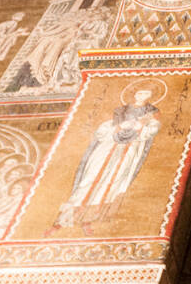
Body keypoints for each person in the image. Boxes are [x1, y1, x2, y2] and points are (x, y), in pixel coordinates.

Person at [53, 89, 160, 232]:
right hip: (108, 145)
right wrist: (120, 126)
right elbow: (103, 130)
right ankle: (64, 218)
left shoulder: (151, 113)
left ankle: (89, 220)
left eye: (146, 94)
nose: (142, 96)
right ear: (134, 94)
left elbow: (152, 129)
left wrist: (140, 126)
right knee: (91, 177)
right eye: (140, 93)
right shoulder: (120, 111)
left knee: (114, 180)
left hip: (130, 149)